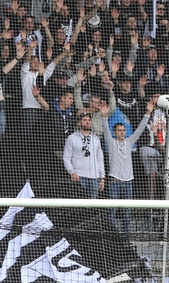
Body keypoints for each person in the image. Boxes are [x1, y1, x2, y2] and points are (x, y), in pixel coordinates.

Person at [101, 97, 154, 238]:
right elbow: (105, 130)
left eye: (124, 130)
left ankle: (125, 237)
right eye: (119, 130)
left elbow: (140, 129)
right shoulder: (111, 143)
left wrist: (147, 114)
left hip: (128, 181)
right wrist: (104, 116)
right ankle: (110, 237)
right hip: (114, 182)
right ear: (115, 132)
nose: (122, 132)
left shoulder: (129, 142)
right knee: (112, 211)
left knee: (126, 212)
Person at [63, 110, 105, 198]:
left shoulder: (96, 139)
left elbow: (100, 159)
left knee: (92, 206)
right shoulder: (72, 138)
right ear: (79, 123)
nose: (87, 122)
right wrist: (72, 172)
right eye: (85, 120)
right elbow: (66, 158)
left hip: (94, 178)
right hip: (79, 177)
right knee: (79, 206)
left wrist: (102, 178)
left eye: (89, 120)